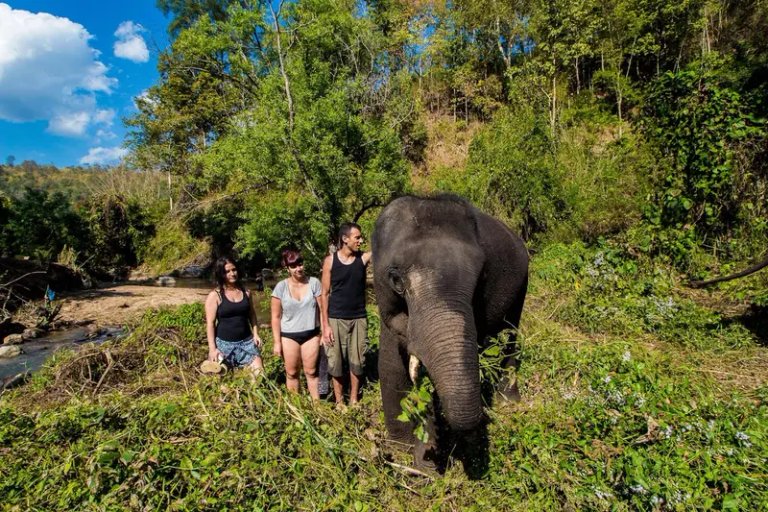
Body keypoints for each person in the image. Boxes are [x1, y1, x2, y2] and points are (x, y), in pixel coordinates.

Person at [321, 222, 372, 407]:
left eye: (361, 237)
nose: (360, 240)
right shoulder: (330, 261)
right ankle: (339, 401)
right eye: (357, 237)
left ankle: (354, 399)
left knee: (358, 359)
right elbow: (324, 294)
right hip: (335, 318)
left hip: (359, 318)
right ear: (345, 239)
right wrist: (325, 326)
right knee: (336, 361)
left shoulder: (364, 258)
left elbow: (382, 249)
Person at [271, 249, 322, 398]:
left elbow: (323, 309)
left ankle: (317, 407)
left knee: (311, 372)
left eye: (300, 264)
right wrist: (276, 342)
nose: (298, 268)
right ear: (287, 268)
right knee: (292, 373)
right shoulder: (281, 287)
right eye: (293, 266)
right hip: (289, 336)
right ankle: (296, 407)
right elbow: (275, 316)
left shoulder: (314, 283)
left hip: (311, 334)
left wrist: (325, 332)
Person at [205, 256, 264, 377]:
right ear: (221, 274)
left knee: (259, 377)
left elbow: (252, 314)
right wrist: (212, 349)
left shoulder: (246, 292)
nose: (232, 273)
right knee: (223, 384)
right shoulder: (215, 295)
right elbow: (210, 324)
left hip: (247, 343)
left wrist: (256, 334)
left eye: (234, 270)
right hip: (223, 345)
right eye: (227, 271)